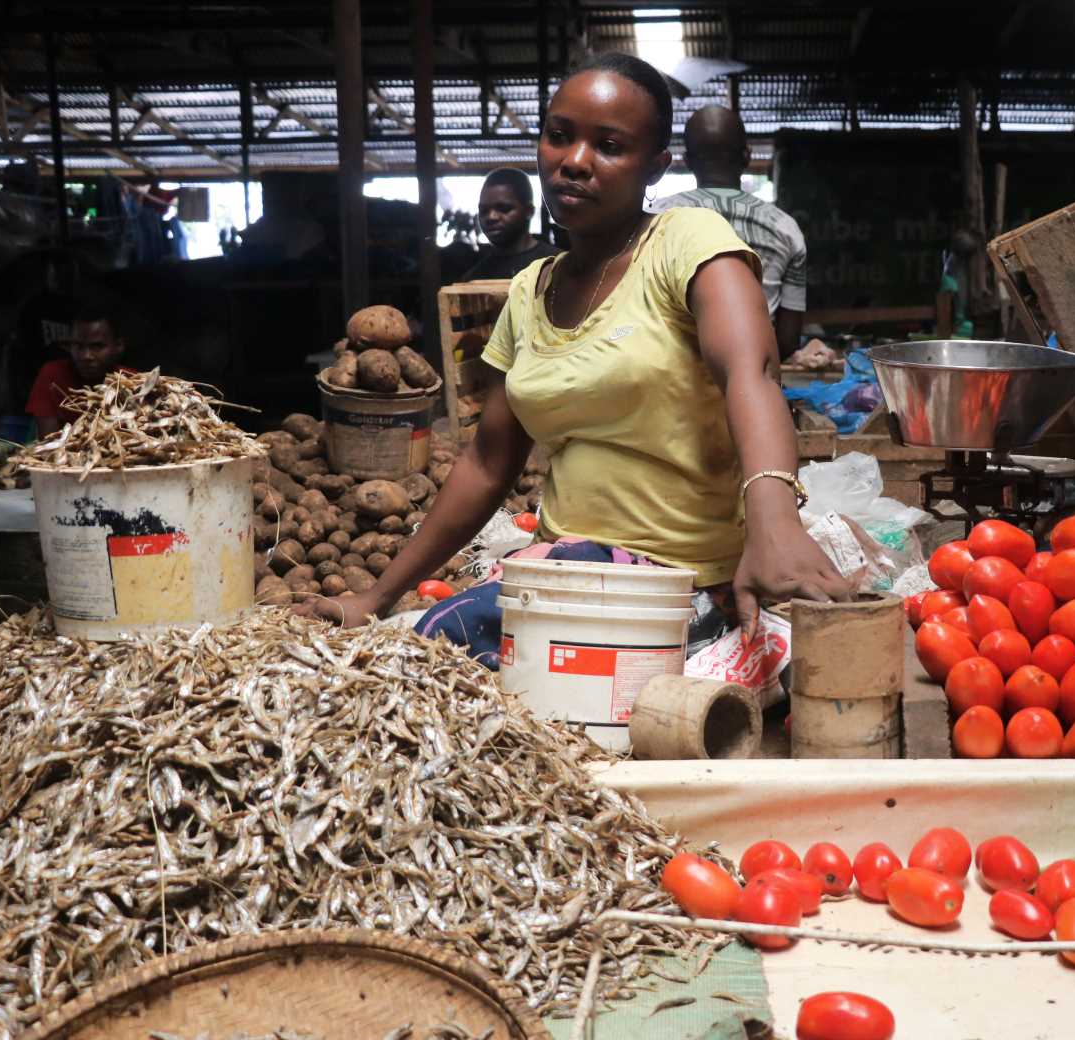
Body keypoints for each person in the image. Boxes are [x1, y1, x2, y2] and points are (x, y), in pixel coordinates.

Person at [296, 52, 847, 651]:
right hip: (563, 573)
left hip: (676, 589)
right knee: (411, 653)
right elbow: (487, 463)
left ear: (655, 167)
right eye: (559, 137)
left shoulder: (687, 242)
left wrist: (775, 523)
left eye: (609, 146)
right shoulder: (531, 290)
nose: (575, 162)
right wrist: (374, 599)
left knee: (439, 656)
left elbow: (753, 374)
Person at [653, 106, 807, 363]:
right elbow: (788, 341)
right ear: (746, 157)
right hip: (754, 380)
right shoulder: (785, 228)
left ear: (688, 161)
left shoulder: (654, 220)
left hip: (671, 384)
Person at [25, 302, 132, 437]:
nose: (86, 356)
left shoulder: (133, 382)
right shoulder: (53, 375)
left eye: (97, 346)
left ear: (118, 346)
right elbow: (48, 441)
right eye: (78, 346)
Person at [460, 168, 560, 281]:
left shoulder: (558, 266)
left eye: (503, 209)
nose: (491, 217)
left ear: (529, 211)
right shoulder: (474, 278)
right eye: (483, 210)